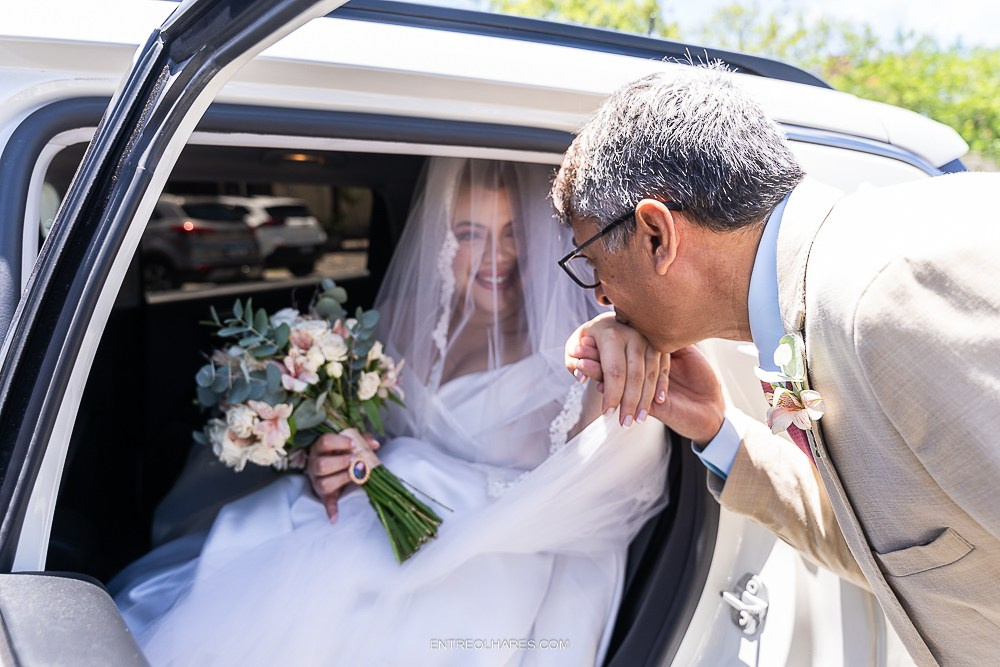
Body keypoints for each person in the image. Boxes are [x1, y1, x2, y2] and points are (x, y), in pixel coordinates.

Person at [110, 157, 669, 666]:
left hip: (491, 555)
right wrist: (333, 459)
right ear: (441, 241)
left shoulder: (592, 351)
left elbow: (616, 486)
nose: (497, 257)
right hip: (370, 518)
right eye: (470, 234)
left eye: (511, 233)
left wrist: (631, 341)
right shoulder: (405, 317)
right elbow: (365, 438)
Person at [551, 64, 1000, 667]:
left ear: (656, 234)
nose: (600, 296)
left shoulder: (893, 291)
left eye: (590, 260)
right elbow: (905, 552)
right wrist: (715, 427)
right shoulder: (830, 303)